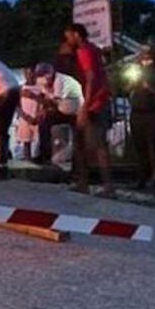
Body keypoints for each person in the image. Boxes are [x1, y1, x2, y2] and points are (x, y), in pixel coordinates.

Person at [63, 23, 113, 196]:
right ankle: (86, 182)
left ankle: (105, 186)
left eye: (69, 36)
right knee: (86, 144)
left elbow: (91, 78)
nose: (68, 40)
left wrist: (85, 106)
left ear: (77, 35)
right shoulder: (93, 49)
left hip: (93, 104)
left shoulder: (84, 51)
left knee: (94, 145)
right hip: (97, 101)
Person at [128, 47, 155, 189]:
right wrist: (132, 84)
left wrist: (149, 87)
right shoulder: (135, 72)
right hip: (136, 113)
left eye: (148, 56)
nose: (145, 58)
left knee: (154, 147)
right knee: (139, 147)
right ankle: (142, 177)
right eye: (142, 55)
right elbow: (125, 88)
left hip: (153, 113)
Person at [33, 62, 83, 163]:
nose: (44, 77)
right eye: (40, 75)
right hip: (60, 109)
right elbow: (45, 98)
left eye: (45, 74)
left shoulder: (61, 80)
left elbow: (54, 101)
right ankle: (45, 155)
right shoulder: (41, 81)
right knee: (44, 123)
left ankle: (78, 159)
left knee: (78, 135)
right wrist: (42, 111)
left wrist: (35, 98)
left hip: (75, 111)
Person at [15, 67, 41, 160]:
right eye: (27, 73)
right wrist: (24, 116)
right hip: (24, 118)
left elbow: (45, 102)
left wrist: (34, 96)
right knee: (26, 141)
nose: (29, 75)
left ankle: (39, 159)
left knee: (39, 141)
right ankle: (27, 159)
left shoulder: (40, 87)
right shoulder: (21, 88)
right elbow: (17, 105)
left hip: (37, 117)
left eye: (31, 73)